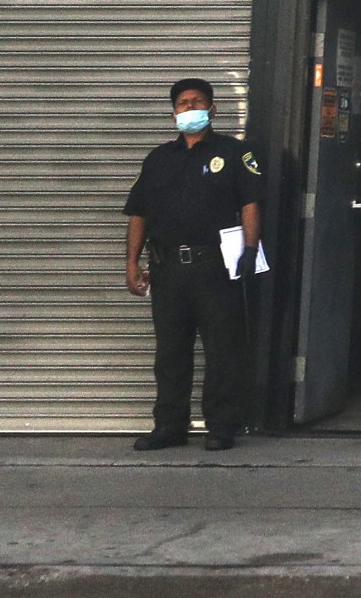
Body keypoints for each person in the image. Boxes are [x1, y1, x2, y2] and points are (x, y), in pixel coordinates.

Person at [124, 78, 263, 451]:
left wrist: (250, 250)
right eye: (184, 103)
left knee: (222, 350)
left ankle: (220, 427)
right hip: (168, 269)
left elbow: (250, 203)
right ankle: (169, 426)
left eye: (198, 102)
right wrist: (131, 262)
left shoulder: (234, 154)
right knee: (170, 352)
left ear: (213, 109)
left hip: (214, 266)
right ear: (174, 113)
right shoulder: (158, 160)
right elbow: (137, 213)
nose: (191, 108)